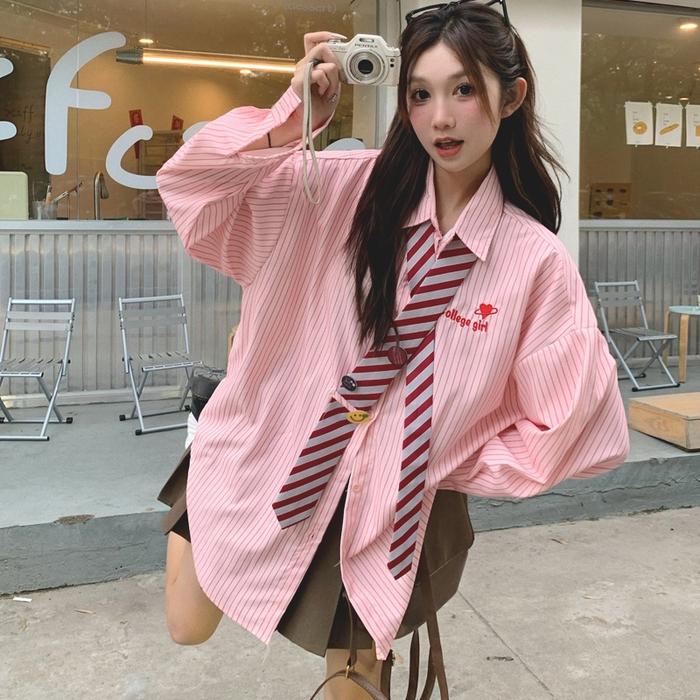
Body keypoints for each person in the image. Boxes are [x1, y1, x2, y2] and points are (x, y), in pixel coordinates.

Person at [156, 2, 629, 697]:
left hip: (390, 504)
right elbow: (193, 192)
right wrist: (295, 121)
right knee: (186, 624)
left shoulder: (532, 262)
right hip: (268, 447)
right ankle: (208, 452)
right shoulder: (336, 189)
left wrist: (442, 455)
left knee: (351, 686)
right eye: (421, 93)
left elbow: (582, 424)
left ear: (511, 97)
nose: (442, 118)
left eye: (463, 90)